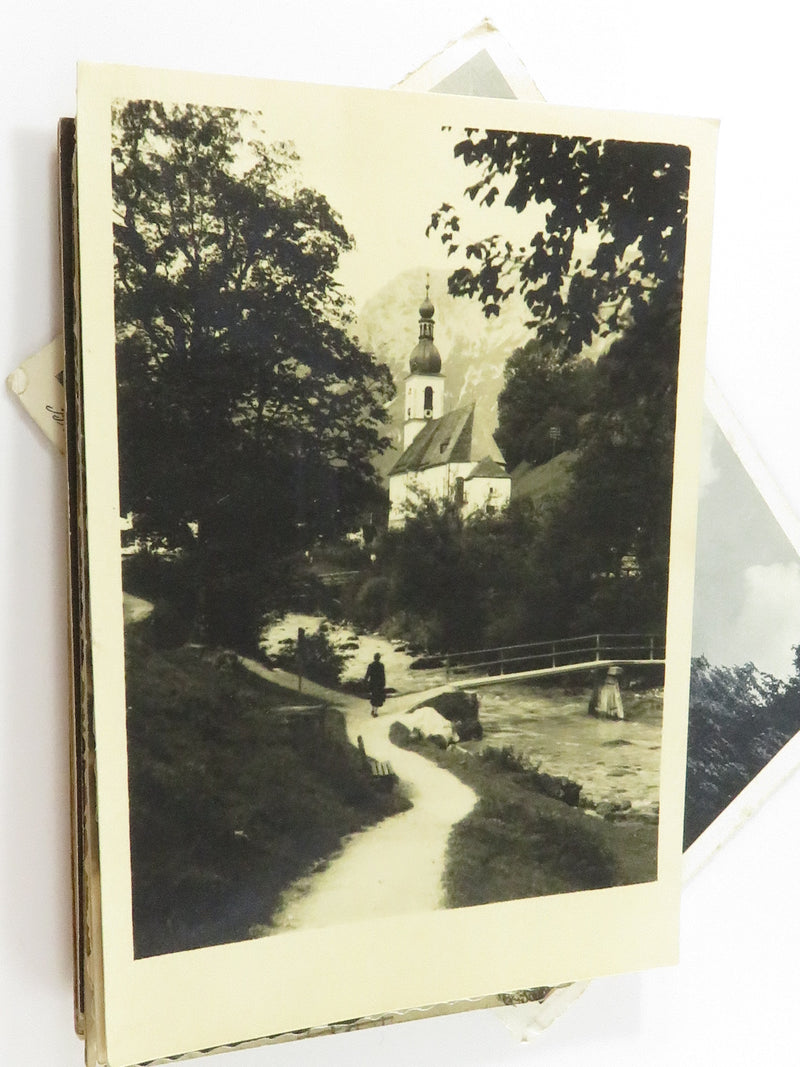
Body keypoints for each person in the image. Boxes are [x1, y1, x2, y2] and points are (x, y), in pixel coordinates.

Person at [364, 652, 386, 717]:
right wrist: (383, 683)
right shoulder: (381, 665)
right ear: (379, 658)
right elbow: (383, 675)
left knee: (374, 697)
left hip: (373, 683)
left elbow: (367, 674)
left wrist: (365, 681)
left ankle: (373, 710)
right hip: (379, 684)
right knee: (378, 697)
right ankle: (375, 711)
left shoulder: (371, 665)